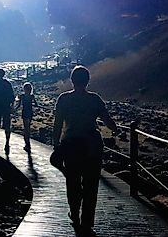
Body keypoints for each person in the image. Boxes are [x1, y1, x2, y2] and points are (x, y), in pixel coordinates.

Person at [52, 65, 118, 233]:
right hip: (92, 145)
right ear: (88, 80)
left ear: (72, 80)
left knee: (72, 180)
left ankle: (74, 212)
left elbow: (58, 124)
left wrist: (56, 144)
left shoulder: (63, 99)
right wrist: (115, 128)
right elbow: (108, 121)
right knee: (91, 183)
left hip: (71, 144)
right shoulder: (94, 99)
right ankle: (87, 220)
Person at [16, 81, 35, 151]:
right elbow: (35, 104)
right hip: (30, 112)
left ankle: (27, 142)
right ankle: (28, 142)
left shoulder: (22, 96)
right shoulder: (32, 96)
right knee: (28, 128)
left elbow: (19, 105)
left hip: (25, 112)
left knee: (26, 128)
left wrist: (14, 109)